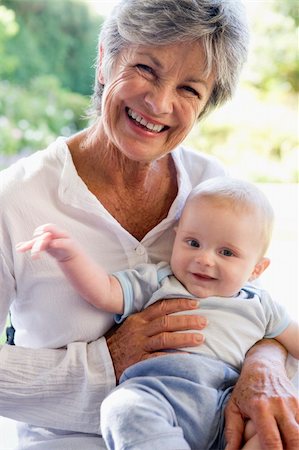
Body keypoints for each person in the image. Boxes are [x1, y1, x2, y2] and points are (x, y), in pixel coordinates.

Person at [0, 1, 298, 449]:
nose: (159, 104)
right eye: (146, 68)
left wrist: (264, 364)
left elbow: (250, 308)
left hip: (208, 426)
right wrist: (108, 361)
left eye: (190, 90)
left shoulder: (212, 184)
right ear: (104, 60)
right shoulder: (16, 200)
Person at [17, 176, 299, 450]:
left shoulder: (261, 304)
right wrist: (70, 256)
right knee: (122, 408)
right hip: (158, 393)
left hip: (230, 403)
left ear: (256, 269)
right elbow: (104, 291)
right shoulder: (160, 280)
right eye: (193, 243)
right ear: (176, 238)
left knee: (276, 427)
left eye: (226, 252)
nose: (204, 259)